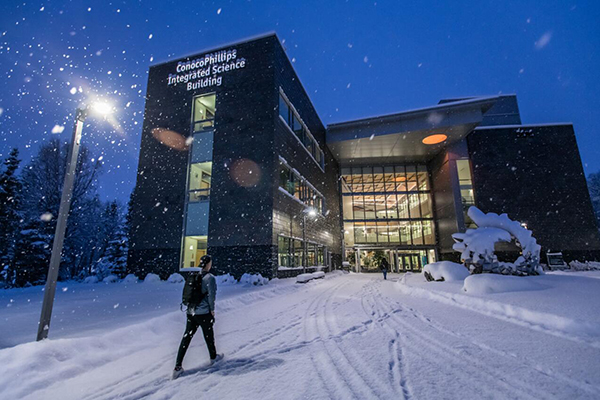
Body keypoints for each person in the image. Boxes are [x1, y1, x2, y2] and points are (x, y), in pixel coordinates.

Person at [173, 255, 222, 379]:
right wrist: (212, 310)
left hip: (191, 313)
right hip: (203, 313)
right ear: (208, 264)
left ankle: (177, 366)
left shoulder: (193, 276)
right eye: (210, 263)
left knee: (186, 337)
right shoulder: (209, 278)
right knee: (208, 336)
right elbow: (211, 296)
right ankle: (213, 357)